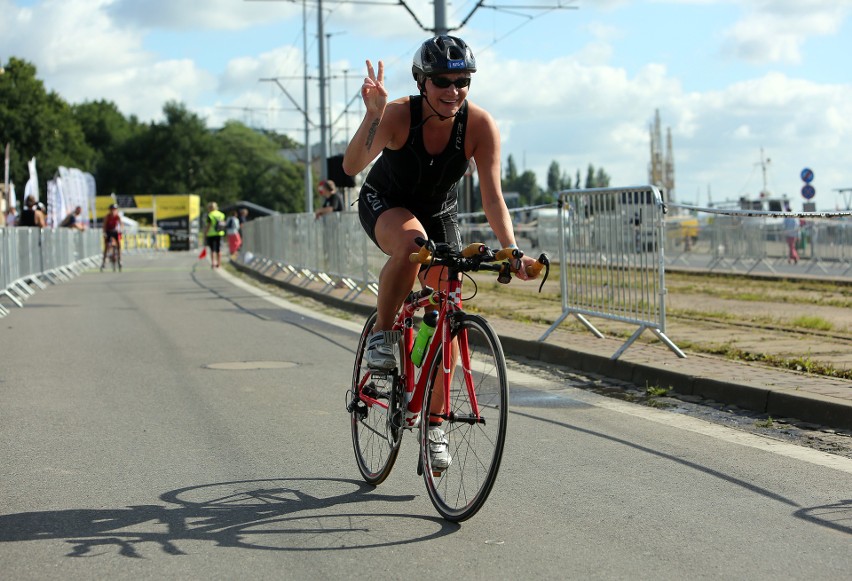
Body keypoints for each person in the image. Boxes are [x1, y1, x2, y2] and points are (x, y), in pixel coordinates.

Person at [342, 35, 537, 470]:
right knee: (414, 247)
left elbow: (493, 199)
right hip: (386, 203)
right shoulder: (396, 116)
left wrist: (511, 250)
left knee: (447, 305)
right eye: (443, 81)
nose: (453, 91)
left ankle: (434, 423)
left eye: (463, 81)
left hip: (438, 212)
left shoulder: (480, 125)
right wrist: (371, 117)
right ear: (422, 82)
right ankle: (383, 335)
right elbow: (352, 167)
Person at [101, 203, 122, 271]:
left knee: (119, 243)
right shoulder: (107, 216)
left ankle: (119, 259)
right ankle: (103, 262)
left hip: (115, 231)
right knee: (106, 246)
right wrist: (104, 233)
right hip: (108, 231)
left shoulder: (118, 216)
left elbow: (121, 224)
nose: (113, 211)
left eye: (114, 210)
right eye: (112, 210)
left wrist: (121, 229)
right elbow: (104, 225)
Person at [204, 201, 226, 269]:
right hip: (220, 233)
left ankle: (213, 263)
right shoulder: (221, 214)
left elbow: (208, 225)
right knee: (219, 249)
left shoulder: (210, 215)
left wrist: (205, 233)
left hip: (211, 234)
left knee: (213, 249)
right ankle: (219, 263)